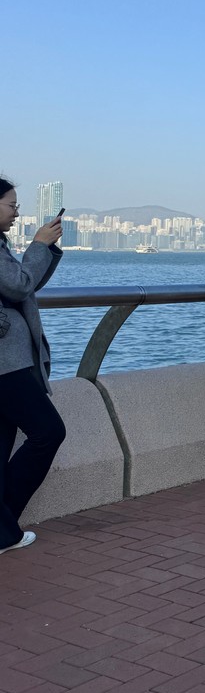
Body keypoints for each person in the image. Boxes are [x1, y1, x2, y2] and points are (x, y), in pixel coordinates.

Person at [0, 178, 65, 556]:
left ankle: (4, 530)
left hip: (9, 360)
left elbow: (24, 284)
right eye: (11, 205)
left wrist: (45, 249)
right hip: (5, 363)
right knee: (48, 431)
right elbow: (19, 286)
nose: (16, 212)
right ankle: (4, 526)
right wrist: (39, 244)